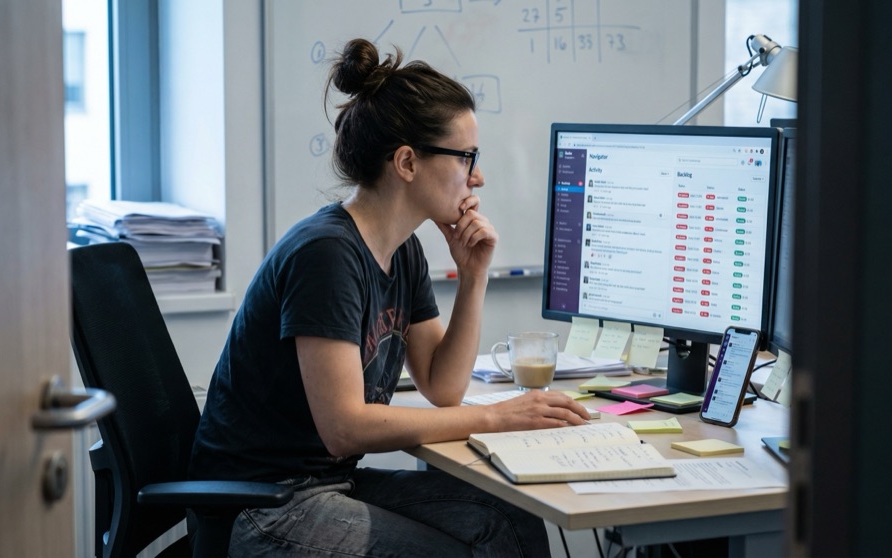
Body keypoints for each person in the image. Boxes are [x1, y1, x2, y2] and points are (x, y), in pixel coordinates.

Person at [189, 38, 592, 557]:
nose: (478, 177)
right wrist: (496, 416)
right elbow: (345, 428)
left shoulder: (402, 251)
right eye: (466, 157)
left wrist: (473, 277)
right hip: (262, 506)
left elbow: (443, 387)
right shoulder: (326, 254)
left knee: (509, 519)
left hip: (324, 486)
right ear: (406, 162)